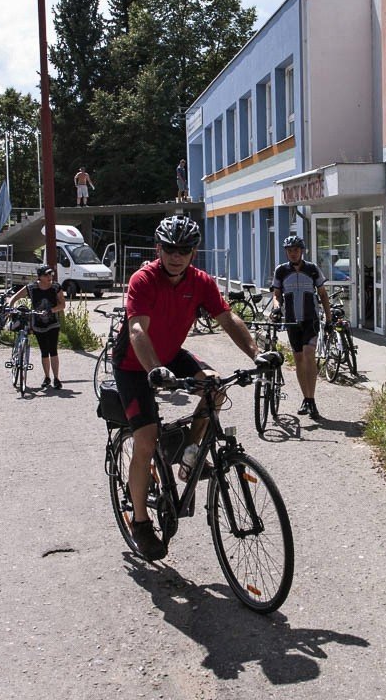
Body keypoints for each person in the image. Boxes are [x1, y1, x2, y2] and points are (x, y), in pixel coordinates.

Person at [114, 215, 281, 560]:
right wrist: (155, 370)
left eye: (185, 250)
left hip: (171, 353)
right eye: (170, 249)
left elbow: (227, 318)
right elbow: (137, 332)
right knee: (146, 438)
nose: (177, 256)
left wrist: (256, 353)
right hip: (134, 363)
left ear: (193, 252)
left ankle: (190, 455)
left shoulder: (201, 281)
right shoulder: (144, 279)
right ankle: (142, 523)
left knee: (216, 386)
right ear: (159, 248)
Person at [270, 234, 332, 418]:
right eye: (290, 250)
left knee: (308, 354)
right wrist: (276, 309)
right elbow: (276, 295)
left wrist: (328, 319)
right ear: (286, 253)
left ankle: (312, 399)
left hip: (310, 319)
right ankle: (306, 399)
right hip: (291, 321)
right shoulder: (281, 271)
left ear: (302, 251)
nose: (293, 253)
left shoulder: (312, 269)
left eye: (296, 250)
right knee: (298, 359)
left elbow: (323, 295)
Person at [8, 265, 66, 390]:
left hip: (53, 323)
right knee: (44, 351)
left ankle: (56, 378)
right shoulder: (31, 287)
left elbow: (62, 304)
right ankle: (47, 377)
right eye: (46, 275)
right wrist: (10, 307)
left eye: (50, 274)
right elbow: (15, 297)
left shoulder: (56, 287)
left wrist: (52, 310)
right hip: (38, 324)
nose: (50, 277)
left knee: (53, 350)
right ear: (39, 277)